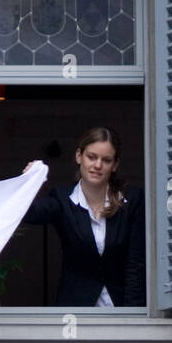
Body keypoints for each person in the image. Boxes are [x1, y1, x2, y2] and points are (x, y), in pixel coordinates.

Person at [21, 126, 146, 307]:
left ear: (115, 165)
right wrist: (29, 183)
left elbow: (136, 264)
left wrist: (135, 318)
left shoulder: (131, 200)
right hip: (76, 313)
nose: (97, 165)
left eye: (106, 160)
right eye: (92, 157)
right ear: (79, 156)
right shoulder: (62, 199)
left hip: (122, 310)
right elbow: (29, 214)